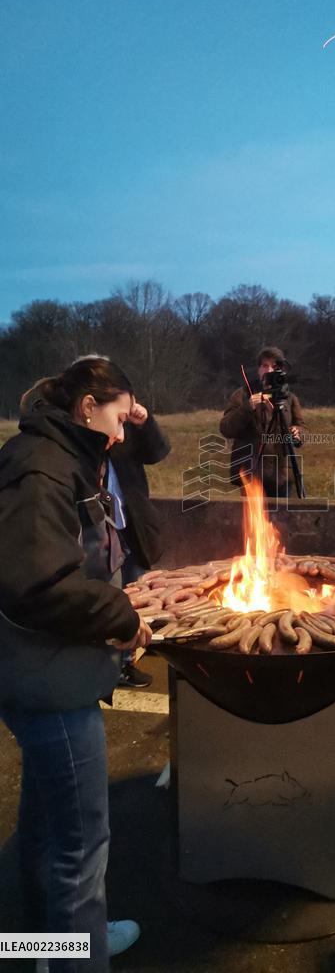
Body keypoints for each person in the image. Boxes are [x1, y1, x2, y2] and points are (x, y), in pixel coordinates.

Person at [0, 357, 152, 972]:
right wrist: (120, 617)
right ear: (88, 406)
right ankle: (75, 957)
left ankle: (43, 948)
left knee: (44, 831)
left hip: (46, 670)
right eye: (118, 418)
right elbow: (37, 582)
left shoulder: (66, 453)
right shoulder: (43, 465)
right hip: (48, 680)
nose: (122, 435)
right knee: (81, 846)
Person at [106, 394, 171, 688]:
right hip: (102, 529)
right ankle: (110, 667)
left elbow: (158, 452)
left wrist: (145, 423)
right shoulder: (82, 437)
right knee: (111, 595)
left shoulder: (127, 426)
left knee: (135, 592)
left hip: (130, 522)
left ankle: (127, 661)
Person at [219, 345, 305, 497]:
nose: (269, 370)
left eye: (274, 366)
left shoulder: (289, 398)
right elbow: (226, 428)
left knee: (281, 519)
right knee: (254, 520)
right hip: (251, 473)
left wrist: (298, 432)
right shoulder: (244, 394)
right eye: (265, 366)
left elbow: (301, 425)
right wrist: (247, 407)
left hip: (282, 473)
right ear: (258, 369)